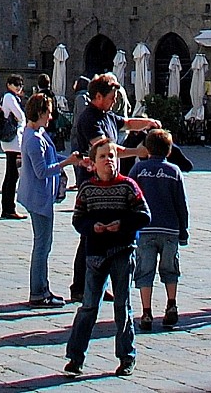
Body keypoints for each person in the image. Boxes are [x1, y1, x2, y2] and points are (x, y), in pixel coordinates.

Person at [67, 75, 158, 300]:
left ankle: (96, 282)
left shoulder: (106, 115)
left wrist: (148, 123)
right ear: (97, 97)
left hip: (109, 181)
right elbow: (107, 150)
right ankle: (81, 286)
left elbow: (126, 123)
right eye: (111, 96)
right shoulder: (89, 119)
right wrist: (137, 152)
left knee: (104, 233)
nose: (115, 99)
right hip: (93, 182)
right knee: (90, 233)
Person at [64, 138, 149, 378]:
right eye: (103, 157)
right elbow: (78, 219)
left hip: (122, 250)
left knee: (123, 306)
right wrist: (94, 227)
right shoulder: (87, 189)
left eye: (112, 156)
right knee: (89, 306)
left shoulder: (128, 186)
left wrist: (121, 225)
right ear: (94, 162)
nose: (108, 161)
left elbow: (144, 215)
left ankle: (126, 357)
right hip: (96, 253)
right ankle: (75, 357)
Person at [129, 127, 190, 330]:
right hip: (170, 229)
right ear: (169, 151)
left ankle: (146, 312)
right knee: (170, 268)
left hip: (145, 229)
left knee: (145, 270)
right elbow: (181, 204)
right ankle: (171, 304)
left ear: (146, 149)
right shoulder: (174, 172)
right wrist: (184, 230)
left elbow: (129, 197)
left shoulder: (138, 170)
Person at [19, 93, 69, 306]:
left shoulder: (38, 132)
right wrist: (65, 165)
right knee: (42, 245)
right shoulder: (33, 139)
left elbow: (51, 157)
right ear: (39, 113)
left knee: (43, 243)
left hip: (41, 197)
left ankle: (42, 288)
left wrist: (72, 160)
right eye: (48, 113)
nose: (50, 117)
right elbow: (42, 171)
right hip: (38, 198)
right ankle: (39, 292)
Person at [0, 76, 29, 217]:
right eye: (16, 84)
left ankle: (8, 208)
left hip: (14, 141)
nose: (19, 87)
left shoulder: (12, 97)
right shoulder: (9, 97)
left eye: (20, 85)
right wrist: (20, 117)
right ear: (8, 84)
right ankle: (8, 209)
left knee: (11, 174)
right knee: (12, 175)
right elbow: (21, 116)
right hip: (13, 142)